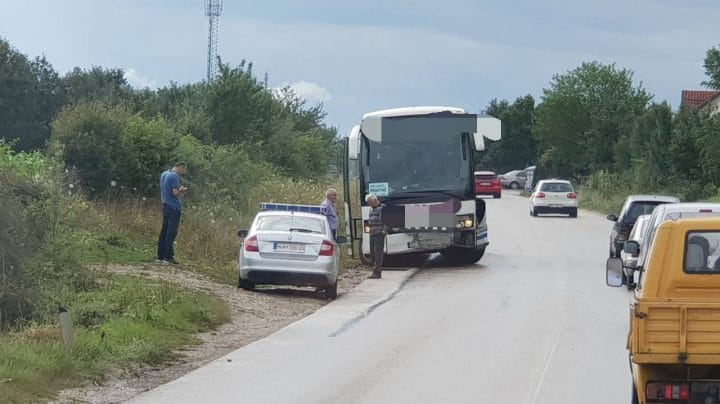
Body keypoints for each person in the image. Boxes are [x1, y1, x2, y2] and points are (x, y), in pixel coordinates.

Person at [157, 162, 188, 265]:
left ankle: (160, 255)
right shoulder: (174, 176)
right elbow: (175, 192)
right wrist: (182, 190)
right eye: (183, 170)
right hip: (174, 207)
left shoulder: (164, 174)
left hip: (165, 205)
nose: (183, 172)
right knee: (171, 233)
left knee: (164, 231)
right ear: (180, 167)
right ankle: (168, 256)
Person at [366, 193, 386, 279]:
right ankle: (376, 271)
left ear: (375, 200)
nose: (369, 205)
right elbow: (369, 221)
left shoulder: (383, 208)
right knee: (372, 253)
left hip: (379, 233)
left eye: (370, 202)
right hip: (372, 233)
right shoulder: (371, 209)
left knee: (378, 253)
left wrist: (383, 231)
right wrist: (368, 232)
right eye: (368, 203)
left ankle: (377, 272)